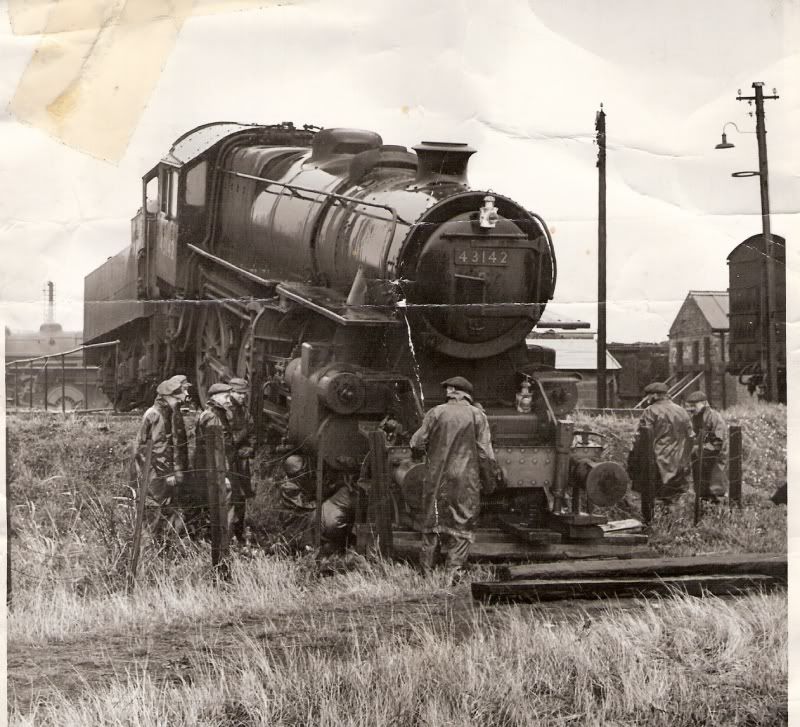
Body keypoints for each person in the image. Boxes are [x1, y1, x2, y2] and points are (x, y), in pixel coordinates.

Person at [409, 376, 499, 579]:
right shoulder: (477, 416)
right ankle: (453, 574)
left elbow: (416, 442)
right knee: (462, 524)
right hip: (465, 479)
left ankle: (426, 574)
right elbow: (485, 454)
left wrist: (422, 454)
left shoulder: (436, 412)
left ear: (452, 392)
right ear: (466, 394)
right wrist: (490, 481)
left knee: (432, 524)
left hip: (436, 477)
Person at [134, 377, 187, 540]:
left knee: (160, 508)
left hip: (153, 468)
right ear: (169, 397)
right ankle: (150, 551)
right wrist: (168, 473)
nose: (185, 396)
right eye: (181, 395)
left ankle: (161, 547)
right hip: (153, 470)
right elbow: (159, 447)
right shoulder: (157, 415)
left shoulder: (162, 412)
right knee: (154, 509)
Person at [630, 382, 694, 506]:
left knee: (653, 499)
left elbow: (642, 437)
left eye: (648, 396)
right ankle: (672, 521)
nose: (647, 399)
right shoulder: (682, 411)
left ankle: (653, 522)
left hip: (658, 462)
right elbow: (691, 436)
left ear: (655, 395)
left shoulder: (651, 411)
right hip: (679, 463)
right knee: (672, 499)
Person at [193, 382, 235, 537]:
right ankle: (222, 541)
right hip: (214, 469)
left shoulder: (211, 413)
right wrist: (222, 475)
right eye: (226, 397)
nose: (229, 401)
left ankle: (209, 537)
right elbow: (216, 450)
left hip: (208, 467)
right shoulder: (212, 417)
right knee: (221, 503)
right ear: (215, 397)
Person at [227, 377, 256, 540]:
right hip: (228, 459)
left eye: (244, 394)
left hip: (241, 460)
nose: (243, 397)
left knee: (242, 495)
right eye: (239, 393)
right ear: (231, 392)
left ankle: (239, 531)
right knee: (229, 494)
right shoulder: (225, 411)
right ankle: (227, 531)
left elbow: (251, 431)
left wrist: (250, 448)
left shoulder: (244, 411)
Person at [685, 390, 727, 502]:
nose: (691, 408)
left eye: (694, 405)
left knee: (715, 488)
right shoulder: (695, 417)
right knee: (701, 489)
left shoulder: (715, 417)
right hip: (700, 458)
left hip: (713, 458)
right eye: (690, 406)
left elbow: (718, 441)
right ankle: (703, 507)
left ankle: (718, 511)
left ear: (704, 403)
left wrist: (701, 449)